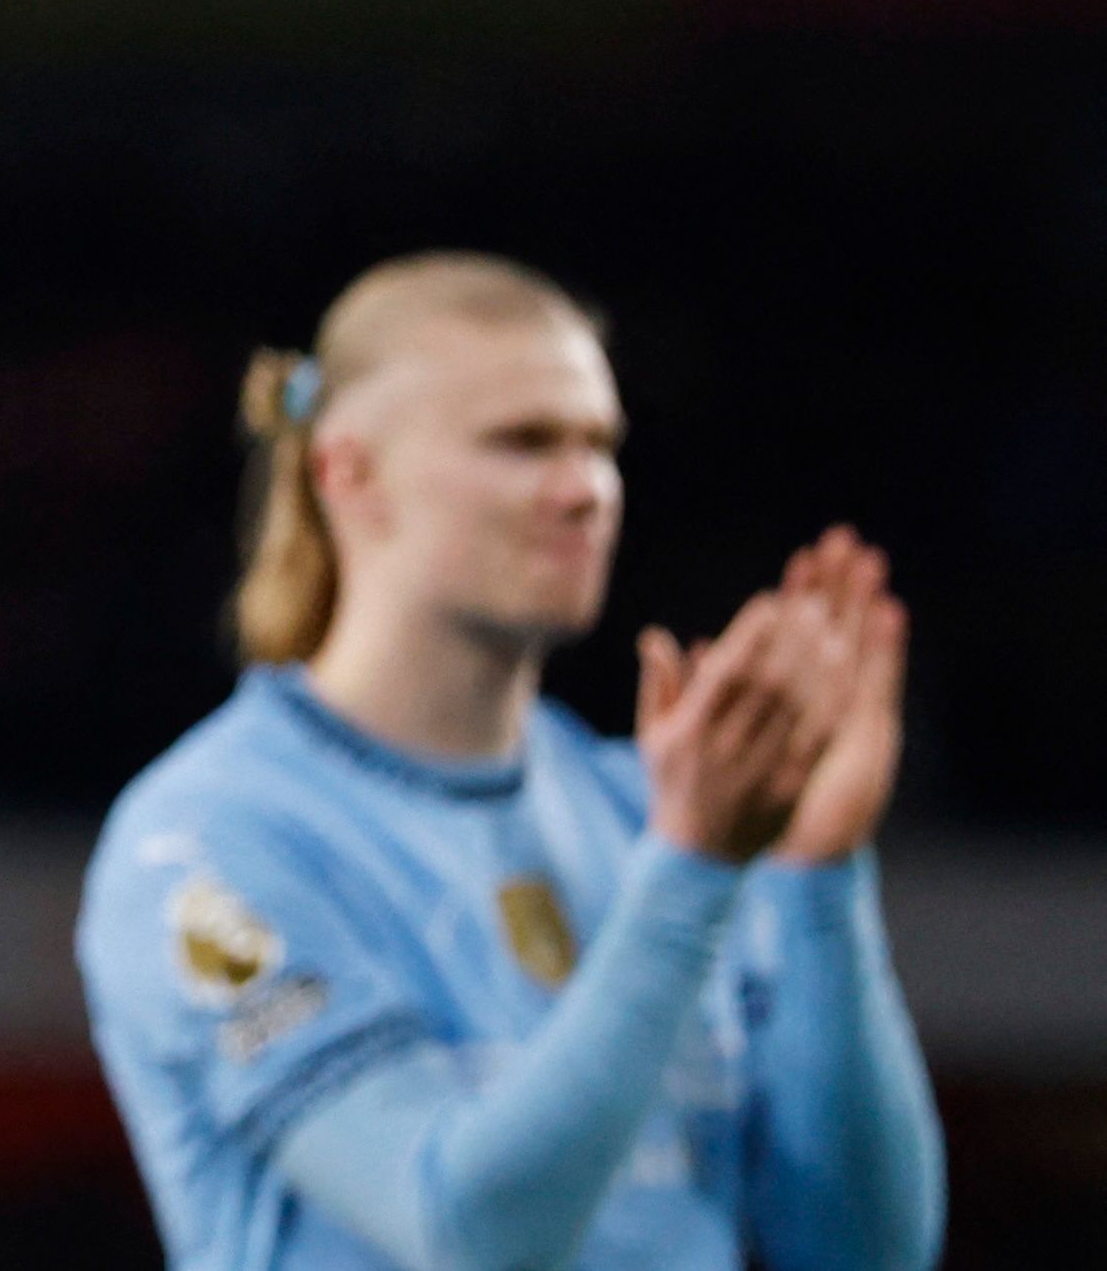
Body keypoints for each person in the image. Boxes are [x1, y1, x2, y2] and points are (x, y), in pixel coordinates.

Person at [75, 252, 942, 1270]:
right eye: (526, 442)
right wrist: (693, 873)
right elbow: (467, 1232)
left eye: (600, 445)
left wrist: (817, 878)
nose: (586, 491)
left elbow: (864, 1254)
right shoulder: (207, 841)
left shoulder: (643, 809)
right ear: (348, 472)